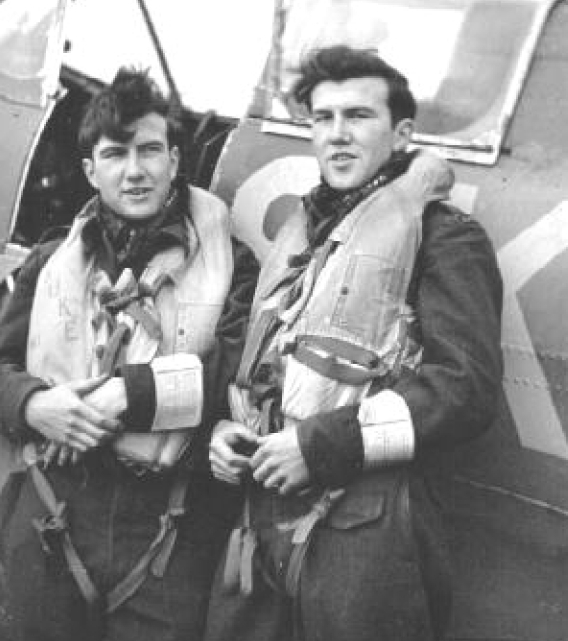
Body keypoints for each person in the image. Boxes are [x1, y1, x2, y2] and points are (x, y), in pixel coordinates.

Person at [206, 45, 503, 641]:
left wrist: (321, 446)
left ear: (401, 133)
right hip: (260, 518)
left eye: (359, 117)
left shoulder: (446, 237)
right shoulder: (304, 232)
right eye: (323, 118)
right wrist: (224, 429)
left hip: (367, 533)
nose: (338, 135)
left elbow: (464, 388)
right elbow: (262, 360)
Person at [0, 67, 258, 641]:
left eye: (151, 150)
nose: (135, 170)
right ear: (89, 170)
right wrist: (36, 406)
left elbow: (233, 376)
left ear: (175, 160)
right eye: (115, 154)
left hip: (166, 523)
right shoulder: (52, 258)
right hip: (53, 505)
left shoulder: (234, 264)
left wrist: (130, 393)